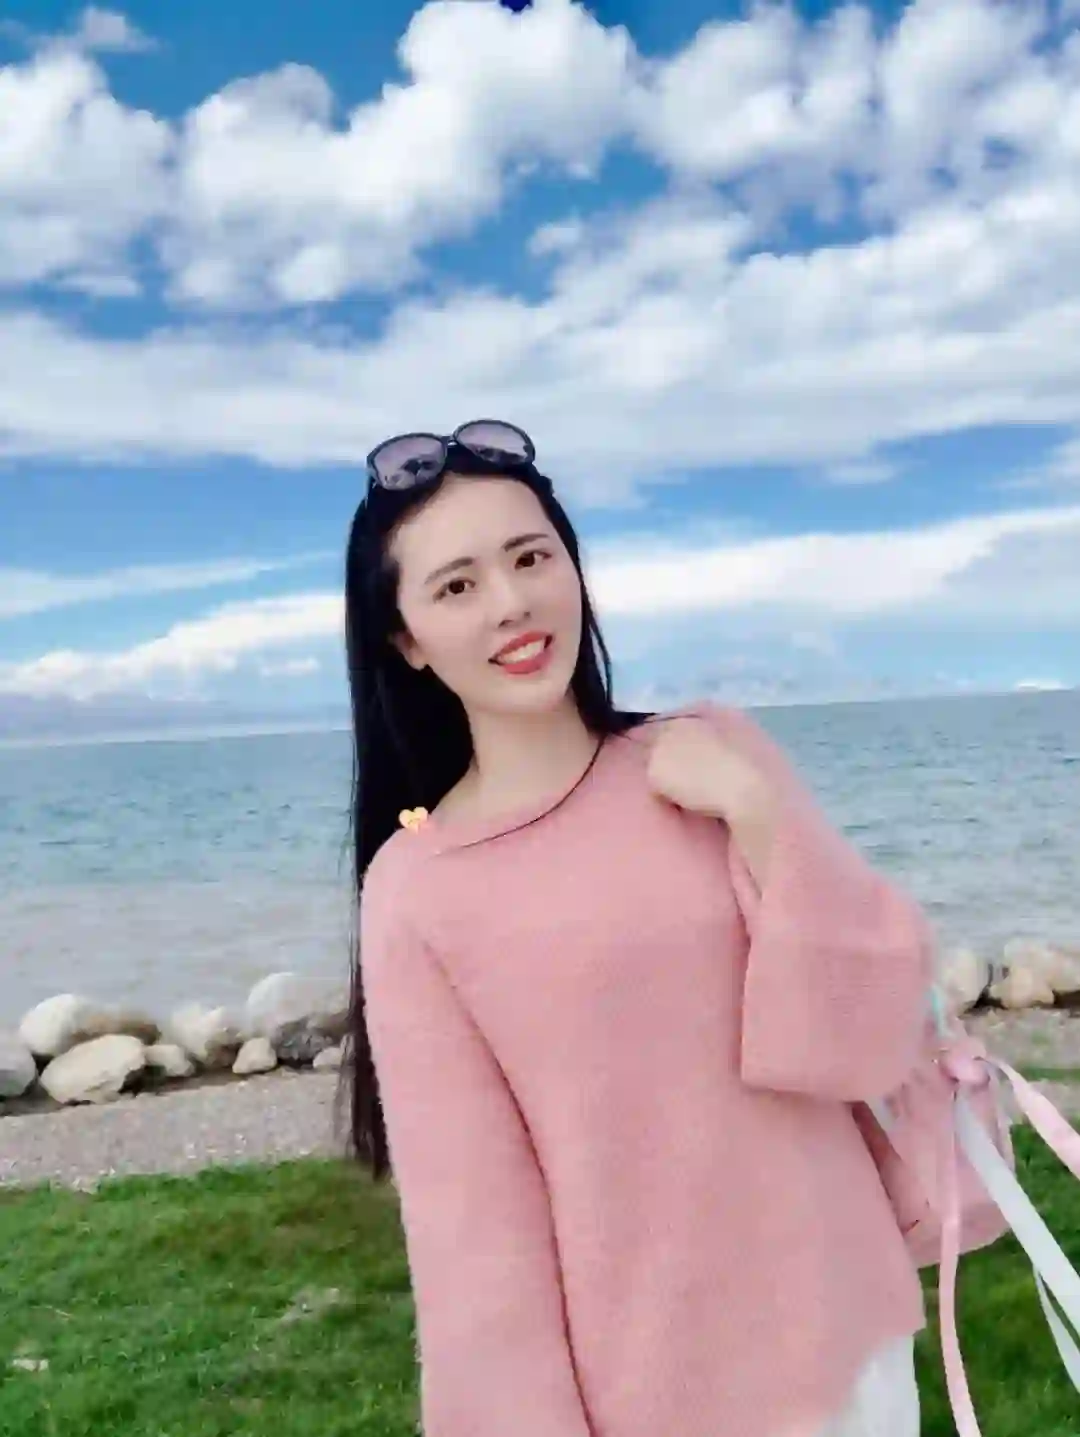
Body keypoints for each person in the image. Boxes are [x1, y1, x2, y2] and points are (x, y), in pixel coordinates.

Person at [341, 421, 932, 1437]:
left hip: (853, 1342)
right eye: (457, 586)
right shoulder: (416, 889)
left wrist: (758, 816)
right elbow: (474, 1235)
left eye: (532, 558)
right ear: (408, 641)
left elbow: (875, 1031)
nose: (512, 602)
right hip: (656, 1398)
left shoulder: (713, 755)